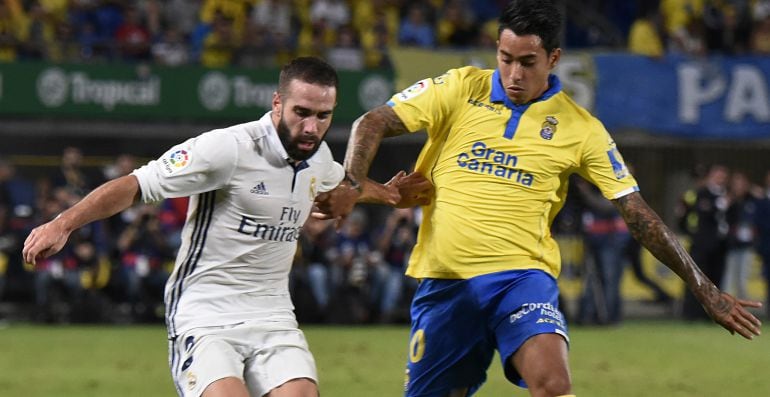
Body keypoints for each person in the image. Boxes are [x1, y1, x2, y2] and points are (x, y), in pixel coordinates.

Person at [316, 1, 763, 396]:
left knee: (553, 383)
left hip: (521, 278)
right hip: (445, 278)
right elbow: (372, 121)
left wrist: (703, 288)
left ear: (554, 58)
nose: (514, 74)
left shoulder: (581, 127)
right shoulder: (458, 87)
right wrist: (355, 182)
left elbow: (637, 211)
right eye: (505, 58)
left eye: (528, 62)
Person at [23, 57, 428, 397]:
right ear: (277, 103)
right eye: (301, 113)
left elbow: (339, 183)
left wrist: (389, 194)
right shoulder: (227, 149)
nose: (311, 127)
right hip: (205, 311)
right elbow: (135, 186)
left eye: (323, 116)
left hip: (272, 314)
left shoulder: (317, 157)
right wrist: (63, 224)